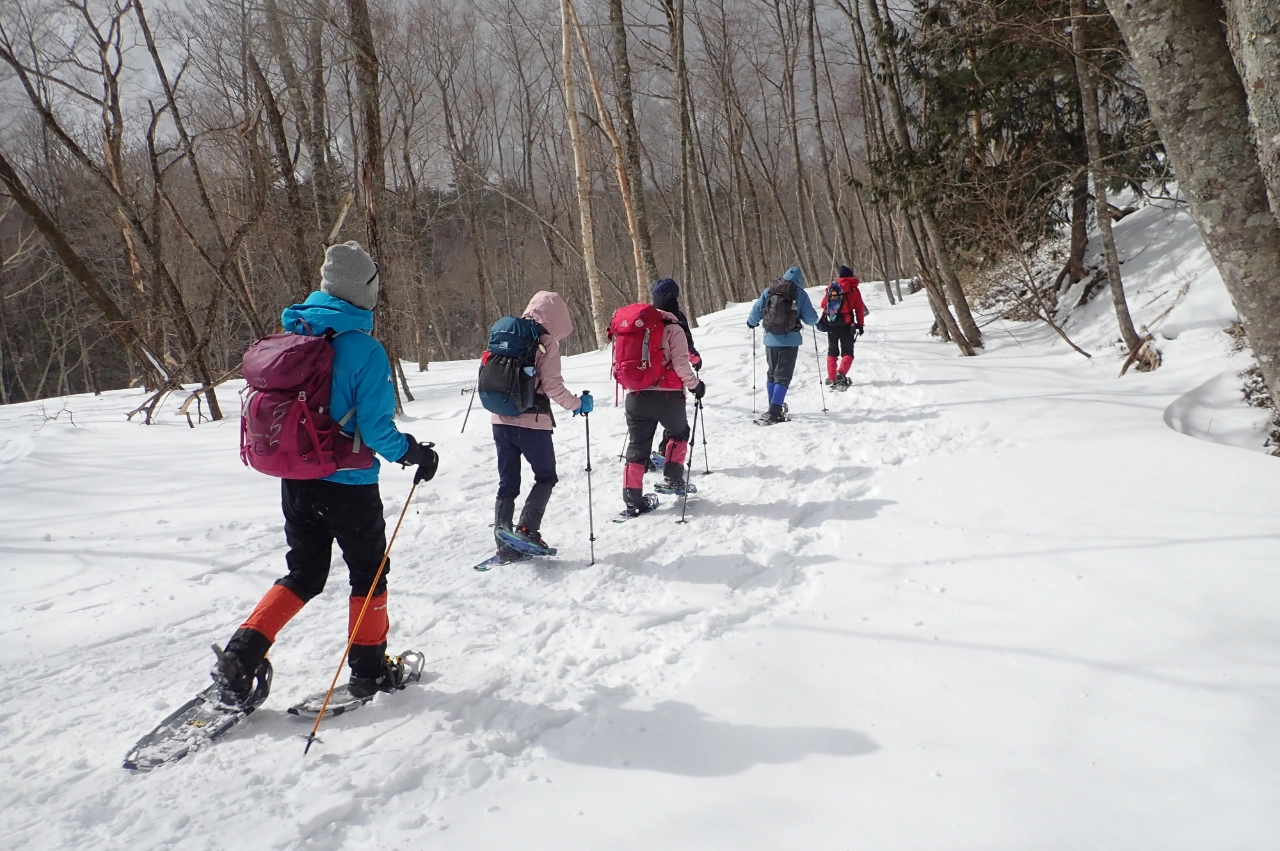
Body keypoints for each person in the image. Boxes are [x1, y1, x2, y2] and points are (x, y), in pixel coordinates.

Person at [212, 241, 438, 706]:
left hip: (295, 480)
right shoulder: (363, 350)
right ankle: (370, 670)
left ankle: (242, 653)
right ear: (364, 290)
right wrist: (413, 453)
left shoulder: (295, 335)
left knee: (304, 573)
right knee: (369, 575)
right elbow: (375, 429)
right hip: (348, 486)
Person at [490, 291, 590, 562]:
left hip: (499, 420)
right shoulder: (544, 341)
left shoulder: (504, 332)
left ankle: (503, 537)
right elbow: (552, 386)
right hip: (533, 423)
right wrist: (577, 404)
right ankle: (527, 530)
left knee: (507, 483)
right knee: (546, 476)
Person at [619, 298, 705, 516]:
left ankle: (632, 498)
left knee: (637, 445)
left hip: (635, 396)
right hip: (667, 395)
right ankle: (673, 478)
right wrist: (695, 386)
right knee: (679, 433)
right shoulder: (674, 329)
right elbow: (680, 364)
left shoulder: (636, 328)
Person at [746, 265, 818, 425]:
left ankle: (773, 407)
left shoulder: (770, 290)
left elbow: (757, 309)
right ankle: (775, 412)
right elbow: (811, 319)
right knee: (783, 376)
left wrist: (751, 322)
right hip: (790, 340)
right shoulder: (799, 293)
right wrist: (815, 321)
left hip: (770, 339)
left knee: (772, 373)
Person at [650, 278, 701, 468]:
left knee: (647, 418)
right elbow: (687, 346)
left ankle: (641, 457)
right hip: (671, 380)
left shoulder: (647, 315)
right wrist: (696, 360)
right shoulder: (677, 316)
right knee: (675, 422)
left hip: (644, 378)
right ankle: (665, 452)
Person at [821, 265, 867, 389]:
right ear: (850, 275)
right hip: (847, 324)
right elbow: (859, 308)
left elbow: (823, 304)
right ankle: (841, 373)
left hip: (831, 323)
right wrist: (860, 325)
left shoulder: (833, 288)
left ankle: (831, 377)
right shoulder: (853, 289)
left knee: (832, 351)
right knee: (848, 352)